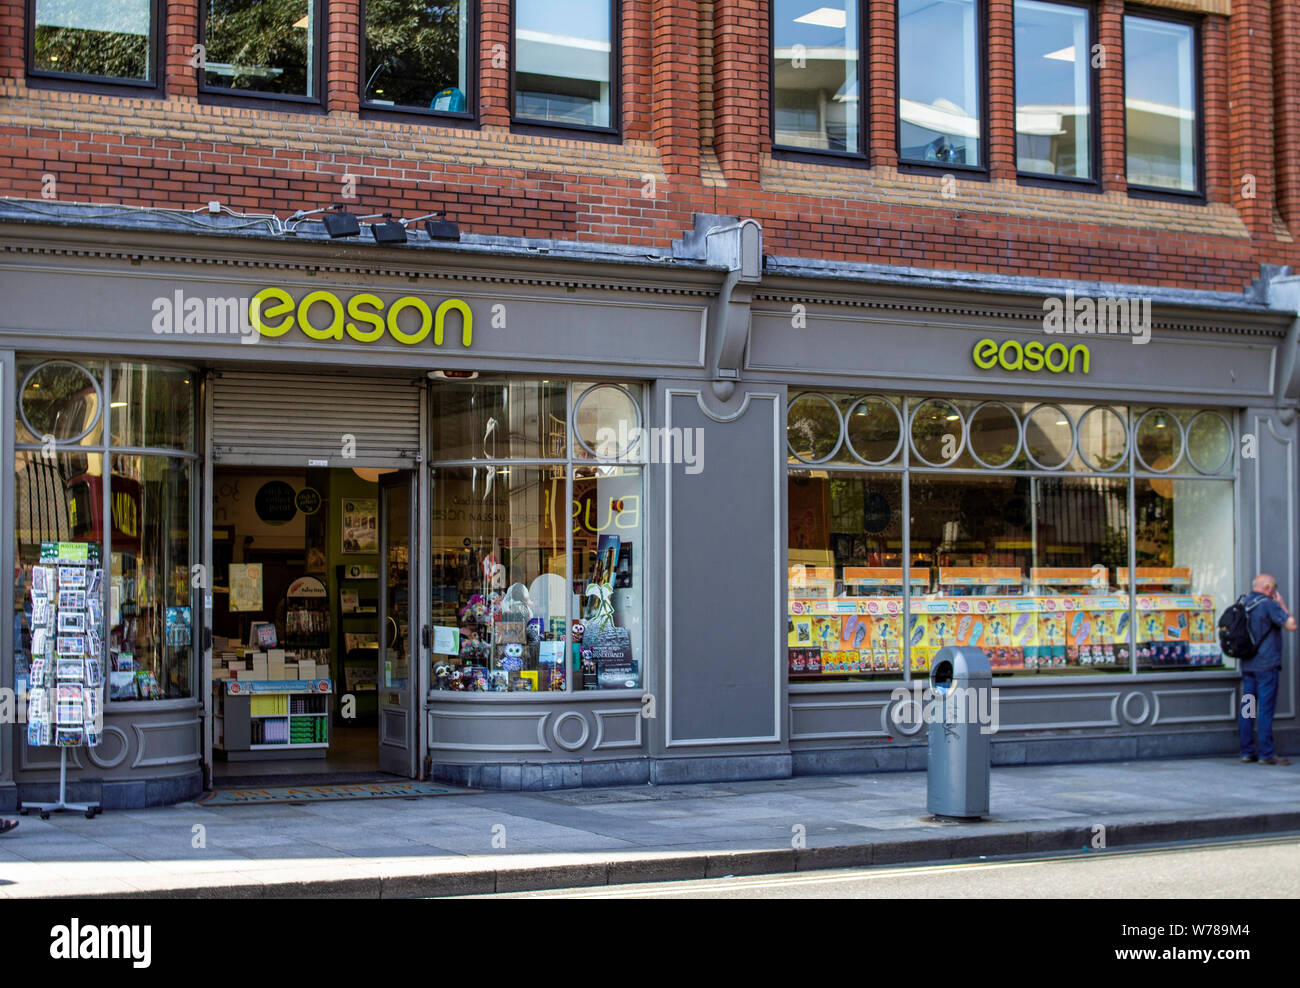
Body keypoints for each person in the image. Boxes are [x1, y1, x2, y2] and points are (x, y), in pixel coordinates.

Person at [1239, 573, 1296, 765]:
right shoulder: (1269, 604)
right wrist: (1282, 604)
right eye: (1275, 586)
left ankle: (1247, 751)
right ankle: (1266, 753)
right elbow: (1292, 625)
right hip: (1266, 666)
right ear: (1269, 587)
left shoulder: (1243, 602)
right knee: (1264, 709)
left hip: (1247, 666)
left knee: (1248, 709)